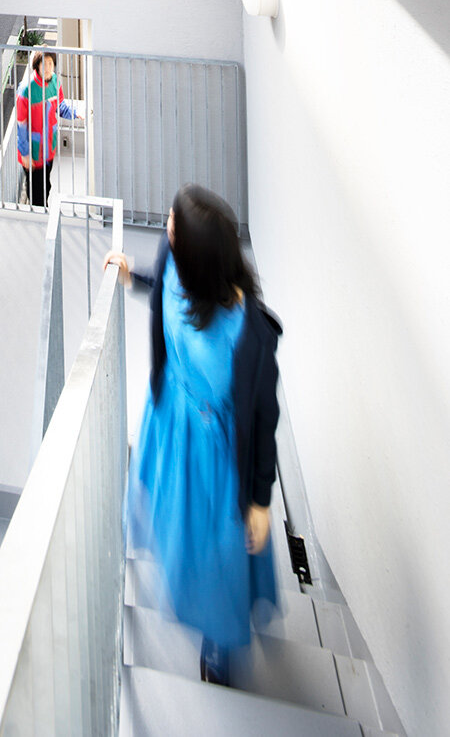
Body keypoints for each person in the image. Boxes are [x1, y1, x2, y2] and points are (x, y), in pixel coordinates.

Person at [104, 184, 281, 687]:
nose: (165, 228)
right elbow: (162, 286)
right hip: (171, 424)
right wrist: (130, 277)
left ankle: (220, 646)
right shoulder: (174, 259)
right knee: (182, 537)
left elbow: (264, 419)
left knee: (218, 560)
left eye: (173, 227)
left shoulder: (251, 336)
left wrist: (261, 501)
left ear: (201, 259)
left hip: (215, 460)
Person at [17, 50, 79, 207]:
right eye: (44, 64)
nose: (47, 67)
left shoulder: (55, 82)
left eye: (50, 64)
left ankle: (42, 212)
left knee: (46, 185)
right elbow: (21, 123)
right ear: (36, 66)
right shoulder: (26, 89)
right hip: (33, 151)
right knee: (36, 190)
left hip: (49, 148)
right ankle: (40, 218)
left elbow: (60, 105)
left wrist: (75, 113)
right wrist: (25, 153)